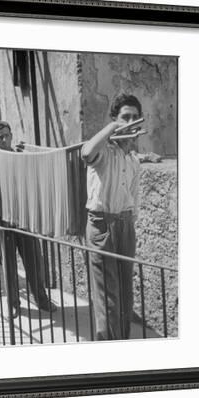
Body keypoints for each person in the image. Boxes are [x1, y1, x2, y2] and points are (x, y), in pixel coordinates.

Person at [0, 121, 56, 318]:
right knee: (9, 264)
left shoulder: (21, 156)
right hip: (3, 221)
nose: (4, 140)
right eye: (0, 137)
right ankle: (13, 304)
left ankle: (41, 299)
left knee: (34, 261)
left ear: (11, 135)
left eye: (6, 135)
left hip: (23, 219)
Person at [80, 93, 143, 341]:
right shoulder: (104, 151)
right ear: (115, 120)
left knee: (125, 296)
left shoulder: (134, 159)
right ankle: (109, 354)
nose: (131, 121)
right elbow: (86, 153)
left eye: (135, 117)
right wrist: (112, 128)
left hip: (125, 226)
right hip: (102, 226)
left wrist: (129, 225)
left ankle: (123, 345)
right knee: (109, 300)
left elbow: (133, 198)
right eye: (125, 117)